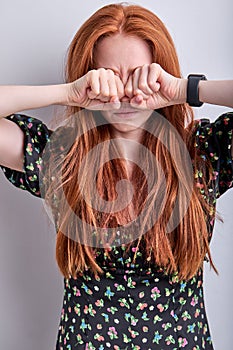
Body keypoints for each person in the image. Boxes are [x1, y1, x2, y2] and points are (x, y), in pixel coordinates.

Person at [0, 3, 232, 349]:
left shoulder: (200, 152)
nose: (125, 93)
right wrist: (68, 93)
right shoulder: (63, 158)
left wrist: (186, 90)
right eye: (109, 75)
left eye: (138, 74)